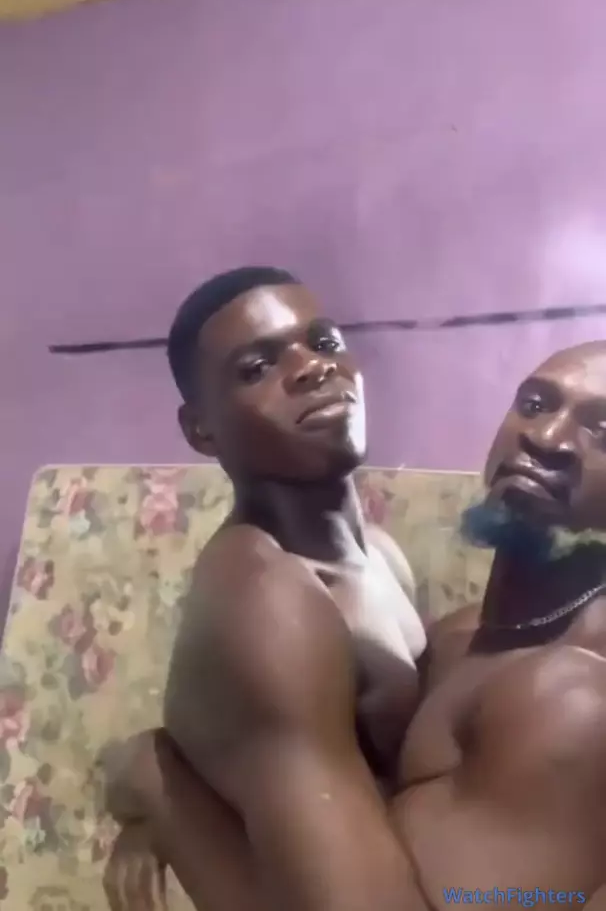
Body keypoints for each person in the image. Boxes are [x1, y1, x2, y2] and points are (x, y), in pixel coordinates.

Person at [107, 332, 606, 909]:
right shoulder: (460, 636)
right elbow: (338, 820)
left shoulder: (574, 698)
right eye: (535, 404)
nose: (547, 438)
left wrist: (163, 792)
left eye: (603, 431)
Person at [102, 266, 425, 911]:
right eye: (256, 367)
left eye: (325, 342)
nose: (313, 367)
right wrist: (163, 793)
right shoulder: (266, 601)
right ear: (202, 430)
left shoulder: (382, 555)